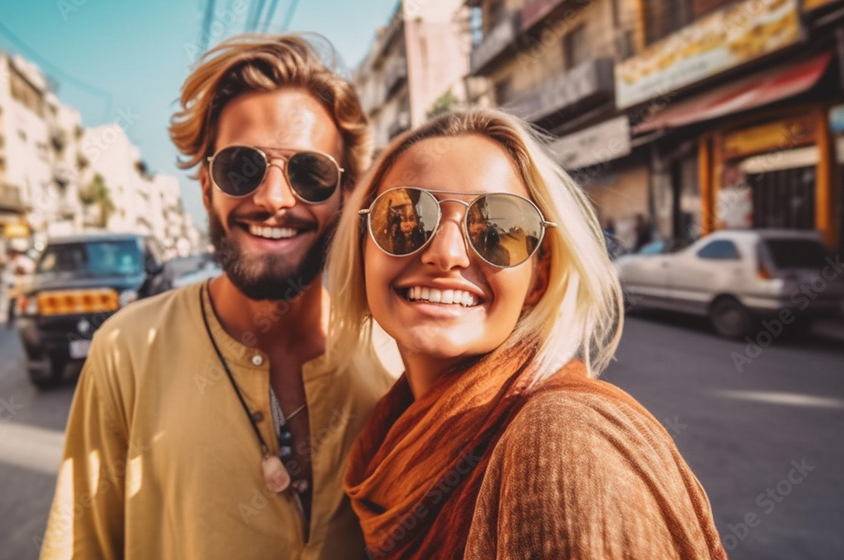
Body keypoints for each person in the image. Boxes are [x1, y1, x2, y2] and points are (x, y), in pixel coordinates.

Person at [38, 34, 394, 559]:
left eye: (310, 174)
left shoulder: (393, 355)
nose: (274, 199)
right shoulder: (128, 351)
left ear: (345, 195)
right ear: (206, 186)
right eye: (242, 168)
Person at [327, 110, 727, 559]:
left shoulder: (564, 442)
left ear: (540, 277)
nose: (446, 254)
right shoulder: (387, 436)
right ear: (363, 250)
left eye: (497, 227)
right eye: (406, 218)